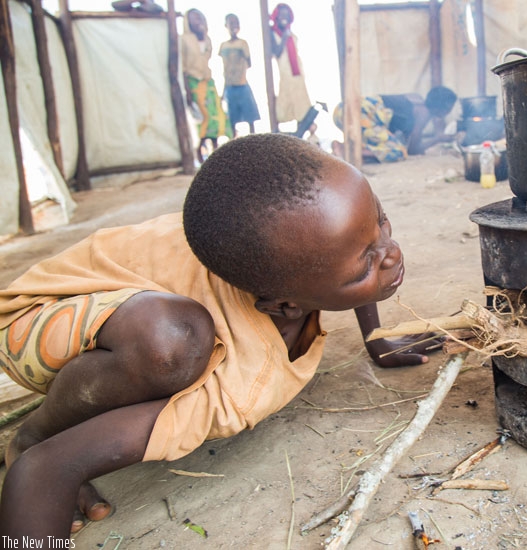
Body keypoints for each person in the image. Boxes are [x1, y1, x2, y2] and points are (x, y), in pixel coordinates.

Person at [0, 134, 435, 538]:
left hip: (120, 297)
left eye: (380, 219)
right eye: (364, 265)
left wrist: (377, 339)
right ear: (285, 306)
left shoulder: (302, 256)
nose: (391, 253)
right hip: (33, 320)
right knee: (170, 342)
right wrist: (46, 463)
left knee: (170, 327)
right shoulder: (238, 385)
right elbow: (41, 472)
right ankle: (35, 430)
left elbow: (348, 244)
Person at [332, 86, 459, 162]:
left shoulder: (416, 99)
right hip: (360, 113)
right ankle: (346, 149)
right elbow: (412, 150)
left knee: (383, 143)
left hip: (343, 109)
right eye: (449, 108)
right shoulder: (423, 113)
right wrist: (438, 139)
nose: (449, 111)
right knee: (398, 151)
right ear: (442, 107)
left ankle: (351, 149)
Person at [181, 8, 232, 163]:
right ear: (187, 22)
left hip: (207, 82)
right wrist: (188, 91)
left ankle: (216, 154)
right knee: (201, 119)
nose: (198, 21)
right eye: (193, 19)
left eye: (199, 18)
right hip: (193, 82)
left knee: (214, 117)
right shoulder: (184, 39)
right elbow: (182, 67)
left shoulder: (207, 39)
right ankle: (199, 154)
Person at [269, 3, 319, 138]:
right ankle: (282, 135)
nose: (284, 18)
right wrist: (284, 37)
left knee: (301, 107)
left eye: (287, 15)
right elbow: (276, 52)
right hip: (285, 74)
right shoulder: (274, 34)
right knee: (283, 107)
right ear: (276, 17)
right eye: (281, 15)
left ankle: (303, 132)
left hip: (297, 74)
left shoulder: (291, 34)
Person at [219, 13, 261, 136]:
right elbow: (224, 67)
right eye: (231, 23)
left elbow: (249, 63)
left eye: (236, 23)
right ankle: (233, 141)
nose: (234, 26)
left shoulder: (243, 43)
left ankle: (253, 140)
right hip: (229, 85)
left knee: (250, 116)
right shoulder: (223, 46)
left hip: (242, 83)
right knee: (232, 118)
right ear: (226, 25)